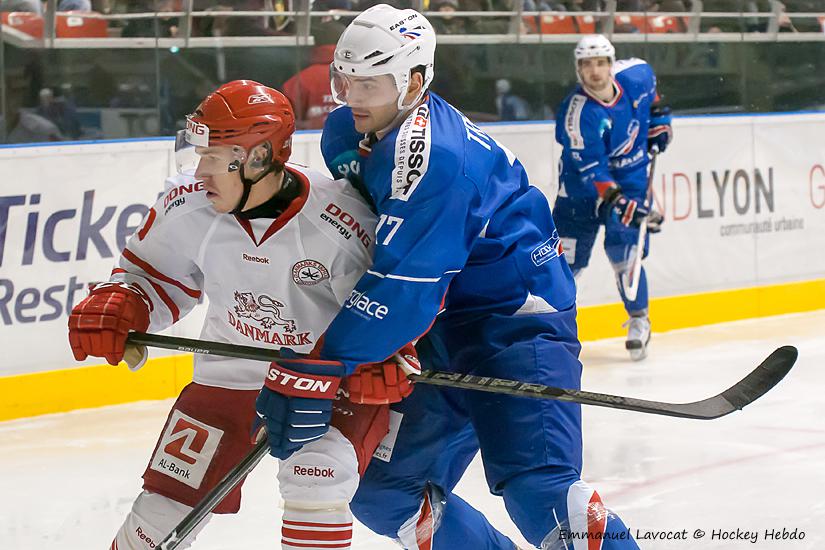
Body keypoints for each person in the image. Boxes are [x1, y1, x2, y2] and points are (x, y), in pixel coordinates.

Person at [254, 5, 640, 549]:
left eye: (370, 84)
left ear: (414, 82)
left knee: (541, 492)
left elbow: (403, 286)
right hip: (438, 326)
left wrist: (323, 363)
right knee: (382, 490)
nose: (353, 98)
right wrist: (367, 348)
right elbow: (369, 247)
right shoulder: (347, 131)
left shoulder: (436, 159)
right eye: (345, 81)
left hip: (516, 323)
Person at [67, 79, 421, 550]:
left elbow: (395, 305)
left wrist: (389, 356)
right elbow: (152, 276)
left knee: (317, 480)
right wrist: (124, 303)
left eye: (214, 158)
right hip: (227, 375)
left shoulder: (342, 220)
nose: (200, 171)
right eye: (200, 155)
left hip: (322, 380)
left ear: (258, 157)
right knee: (161, 510)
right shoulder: (187, 204)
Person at [553, 34, 672, 361]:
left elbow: (653, 95)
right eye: (586, 65)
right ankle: (549, 329)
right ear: (578, 69)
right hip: (579, 192)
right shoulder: (577, 113)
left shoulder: (636, 76)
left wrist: (660, 119)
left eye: (601, 63)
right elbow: (595, 173)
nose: (595, 71)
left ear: (611, 64)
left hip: (631, 180)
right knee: (563, 264)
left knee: (625, 253)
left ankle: (639, 320)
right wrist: (626, 206)